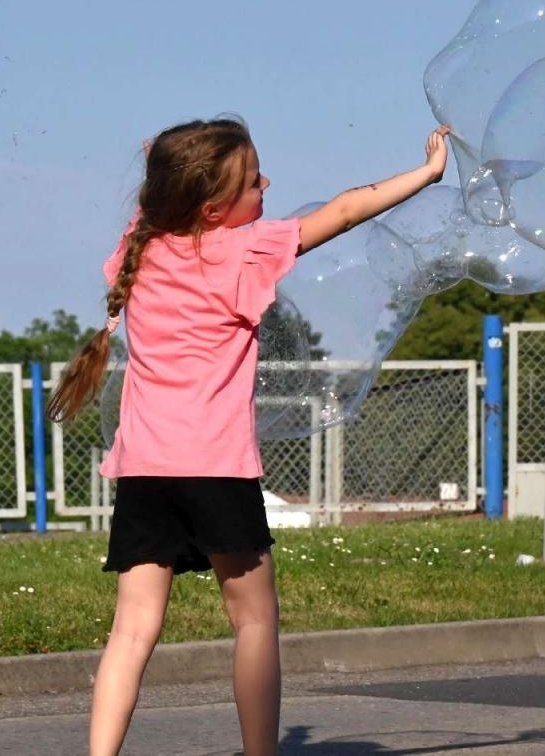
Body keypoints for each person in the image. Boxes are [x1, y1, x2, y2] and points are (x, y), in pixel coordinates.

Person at [51, 115, 451, 756]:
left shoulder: (142, 248)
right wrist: (427, 174)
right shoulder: (244, 250)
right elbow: (347, 210)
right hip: (215, 470)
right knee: (256, 620)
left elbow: (162, 184)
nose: (268, 182)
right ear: (213, 209)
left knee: (132, 630)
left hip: (145, 471)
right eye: (253, 180)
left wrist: (165, 156)